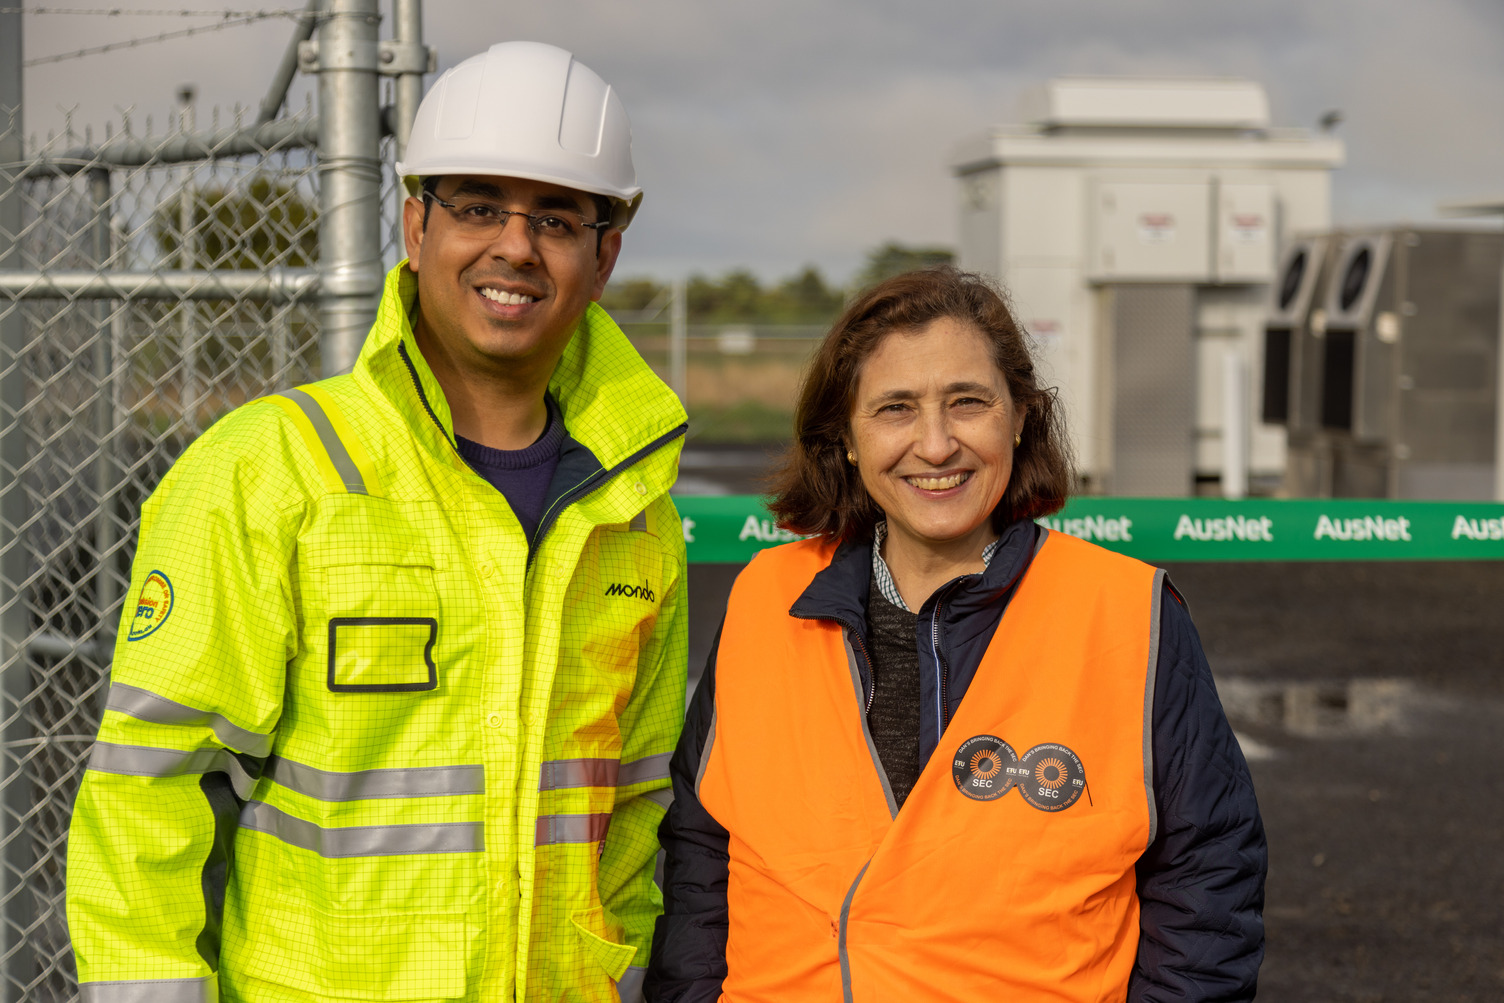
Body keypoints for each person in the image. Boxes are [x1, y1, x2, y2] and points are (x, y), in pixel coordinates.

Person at [66, 41, 686, 1003]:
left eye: (558, 218)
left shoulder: (636, 512)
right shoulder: (270, 469)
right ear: (413, 222)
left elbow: (635, 811)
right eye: (478, 205)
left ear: (605, 255)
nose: (515, 248)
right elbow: (148, 788)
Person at [646, 267, 1266, 1002]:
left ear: (1021, 416)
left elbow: (1209, 879)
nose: (935, 445)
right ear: (845, 436)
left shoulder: (1131, 612)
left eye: (967, 402)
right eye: (895, 408)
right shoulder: (765, 599)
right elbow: (703, 855)